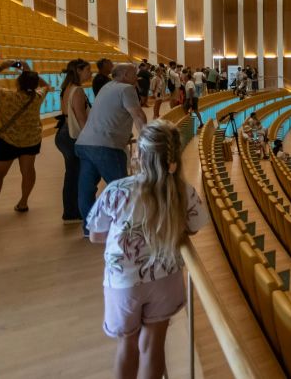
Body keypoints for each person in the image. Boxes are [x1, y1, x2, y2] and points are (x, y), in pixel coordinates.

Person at [87, 120, 208, 379]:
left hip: (124, 282)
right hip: (165, 278)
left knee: (127, 345)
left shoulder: (117, 190)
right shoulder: (184, 191)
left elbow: (95, 235)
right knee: (154, 345)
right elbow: (194, 228)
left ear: (139, 155)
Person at [76, 63, 148, 234]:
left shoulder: (106, 87)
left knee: (86, 189)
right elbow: (138, 115)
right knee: (122, 188)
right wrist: (147, 140)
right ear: (124, 74)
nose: (137, 76)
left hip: (85, 143)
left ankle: (90, 229)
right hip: (106, 145)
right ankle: (127, 228)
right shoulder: (127, 89)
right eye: (134, 73)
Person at [0, 62, 50, 219]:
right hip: (31, 140)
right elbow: (46, 86)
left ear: (18, 83)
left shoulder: (6, 95)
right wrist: (29, 72)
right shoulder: (37, 96)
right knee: (28, 172)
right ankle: (23, 203)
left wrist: (1, 67)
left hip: (7, 141)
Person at [55, 59, 91, 223]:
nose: (90, 73)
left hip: (63, 132)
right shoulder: (77, 90)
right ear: (79, 71)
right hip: (71, 134)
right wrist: (88, 138)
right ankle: (72, 211)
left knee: (72, 173)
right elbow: (81, 118)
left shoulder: (67, 87)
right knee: (74, 174)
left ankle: (71, 210)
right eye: (87, 70)